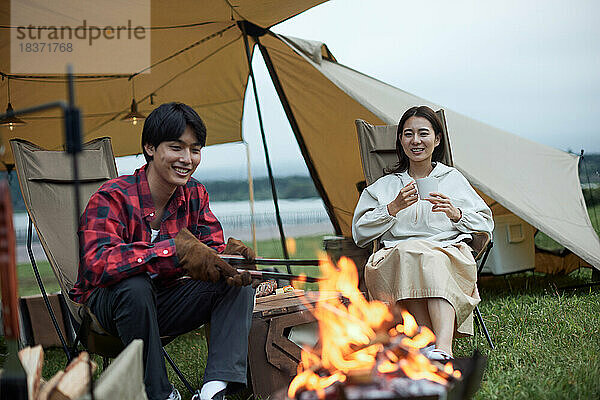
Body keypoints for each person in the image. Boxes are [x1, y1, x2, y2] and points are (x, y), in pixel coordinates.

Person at [69, 102, 256, 400]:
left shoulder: (195, 193)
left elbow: (209, 250)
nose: (187, 159)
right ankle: (160, 394)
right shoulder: (111, 197)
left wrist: (229, 261)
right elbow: (97, 264)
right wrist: (171, 252)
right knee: (135, 285)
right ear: (150, 148)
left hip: (164, 303)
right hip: (109, 310)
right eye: (176, 147)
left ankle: (213, 391)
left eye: (195, 150)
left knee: (233, 284)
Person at [352, 105, 493, 361]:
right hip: (396, 258)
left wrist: (456, 214)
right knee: (411, 253)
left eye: (423, 133)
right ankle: (434, 347)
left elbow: (485, 223)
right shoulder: (384, 186)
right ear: (401, 141)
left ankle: (438, 348)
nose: (416, 140)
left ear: (437, 140)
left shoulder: (452, 179)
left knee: (427, 257)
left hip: (448, 254)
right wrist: (392, 208)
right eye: (408, 134)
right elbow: (359, 232)